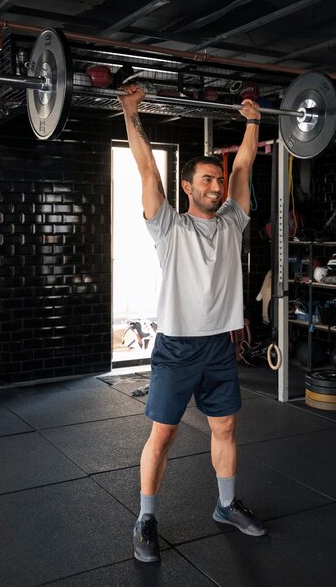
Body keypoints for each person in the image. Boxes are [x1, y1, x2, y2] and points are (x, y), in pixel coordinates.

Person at [120, 84, 266, 564]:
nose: (215, 186)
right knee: (163, 435)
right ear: (187, 186)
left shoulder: (231, 222)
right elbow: (146, 169)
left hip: (219, 348)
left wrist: (252, 121)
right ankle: (145, 518)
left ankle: (225, 506)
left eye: (216, 181)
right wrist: (131, 112)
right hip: (178, 347)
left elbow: (243, 166)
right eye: (205, 180)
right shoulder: (168, 226)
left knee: (224, 426)